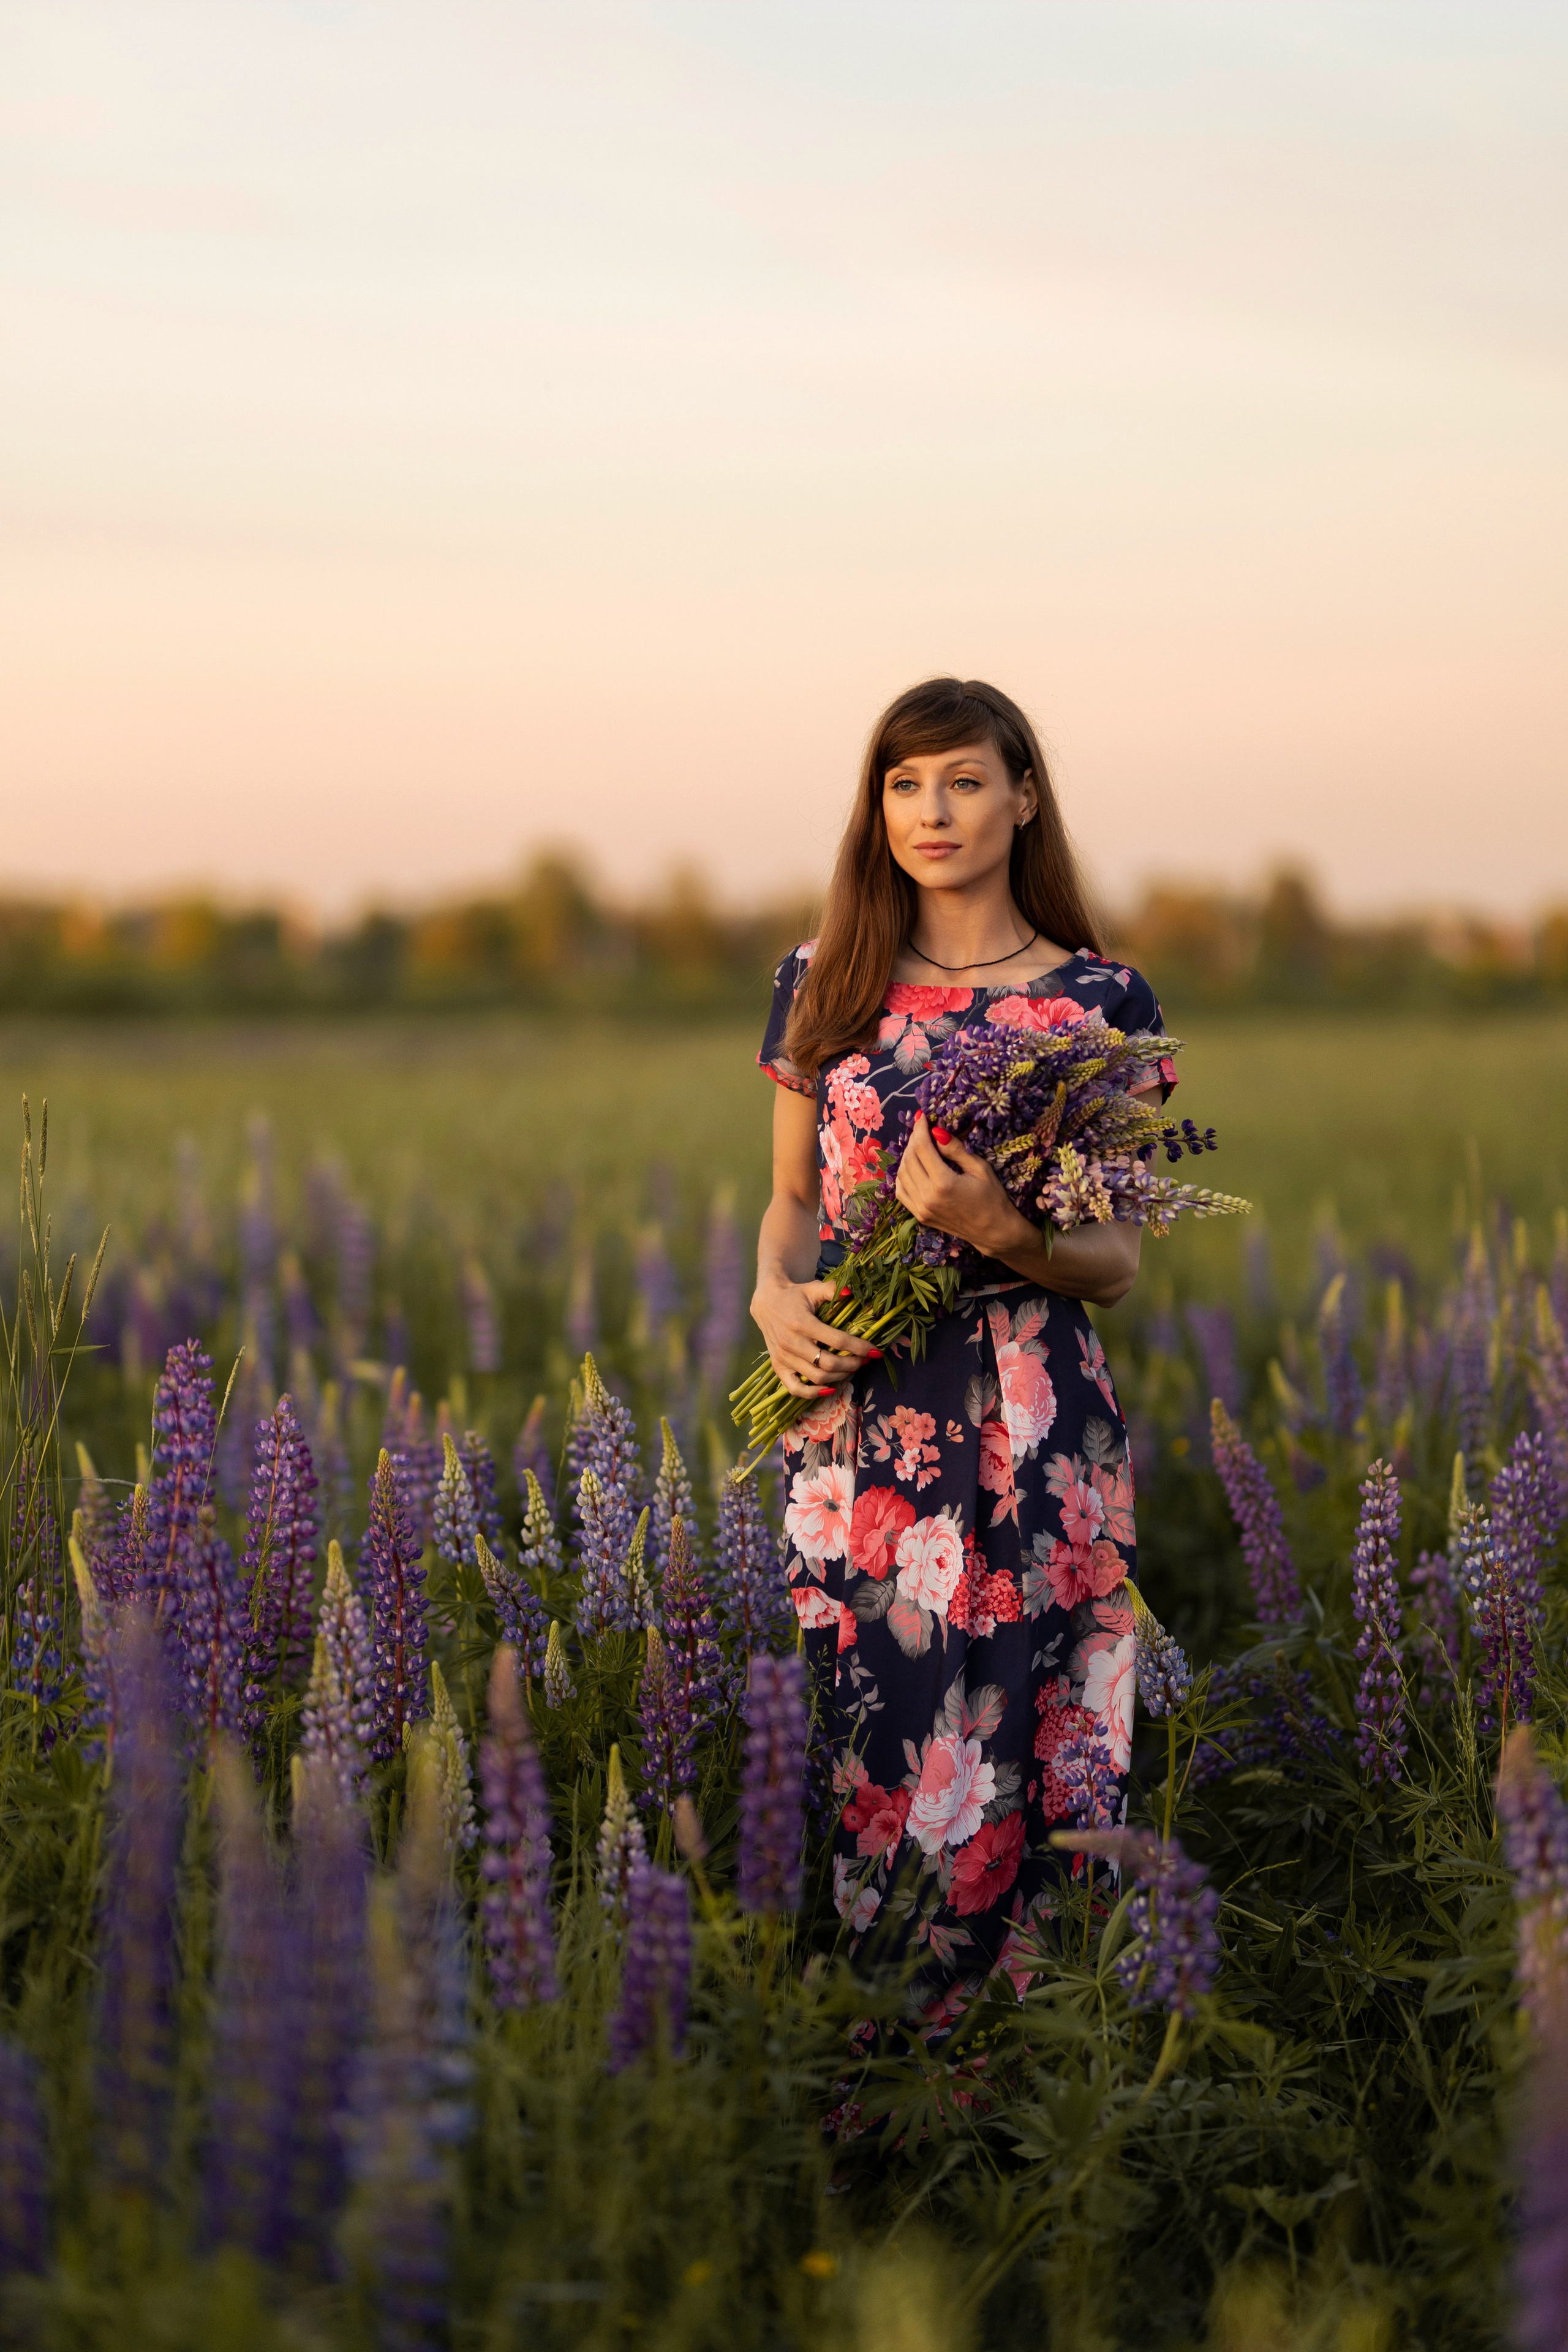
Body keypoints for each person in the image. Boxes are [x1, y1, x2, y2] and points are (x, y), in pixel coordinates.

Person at [752, 675, 1175, 2020]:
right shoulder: (823, 985)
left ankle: (1043, 2070)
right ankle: (886, 2083)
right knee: (879, 1747)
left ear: (1022, 796)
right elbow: (789, 1203)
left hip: (1038, 1418)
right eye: (902, 783)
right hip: (864, 1418)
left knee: (1048, 1735)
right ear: (875, 808)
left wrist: (998, 1226)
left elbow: (1110, 1263)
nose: (930, 811)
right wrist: (770, 1296)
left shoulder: (1097, 999)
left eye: (962, 780)